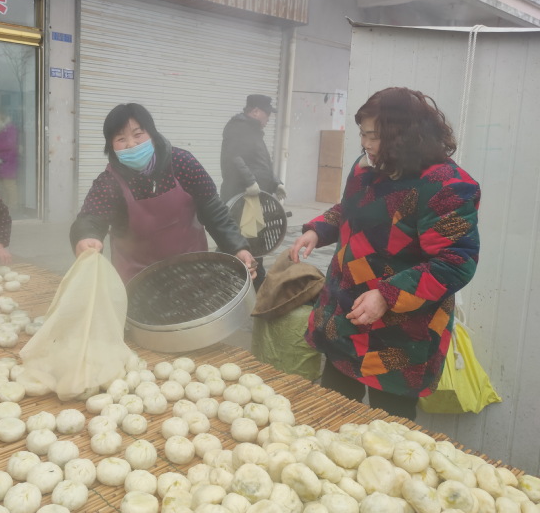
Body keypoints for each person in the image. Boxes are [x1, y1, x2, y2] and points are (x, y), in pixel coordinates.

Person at [290, 87, 480, 420]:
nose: (365, 143)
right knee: (332, 414)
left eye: (374, 136)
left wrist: (387, 295)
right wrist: (318, 229)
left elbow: (454, 263)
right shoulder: (368, 167)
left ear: (405, 135)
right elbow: (350, 208)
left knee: (389, 427)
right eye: (363, 134)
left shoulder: (446, 186)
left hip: (399, 337)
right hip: (345, 317)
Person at [71, 103, 257, 284]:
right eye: (121, 139)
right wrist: (86, 236)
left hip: (191, 269)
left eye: (138, 134)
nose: (131, 144)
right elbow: (91, 217)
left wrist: (237, 247)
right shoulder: (110, 181)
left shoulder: (183, 163)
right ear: (111, 146)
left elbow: (214, 212)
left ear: (152, 134)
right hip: (137, 280)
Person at [220, 94, 286, 289]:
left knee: (256, 243)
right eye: (267, 114)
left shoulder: (254, 130)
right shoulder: (238, 127)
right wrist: (249, 181)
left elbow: (261, 161)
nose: (268, 119)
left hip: (255, 199)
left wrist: (276, 183)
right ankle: (234, 284)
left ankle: (256, 282)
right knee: (238, 242)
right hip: (241, 199)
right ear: (256, 111)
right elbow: (233, 157)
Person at [0, 117, 20, 207]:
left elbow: (8, 144)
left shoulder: (10, 128)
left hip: (8, 160)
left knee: (9, 184)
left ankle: (13, 206)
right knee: (3, 185)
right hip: (1, 160)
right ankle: (7, 205)